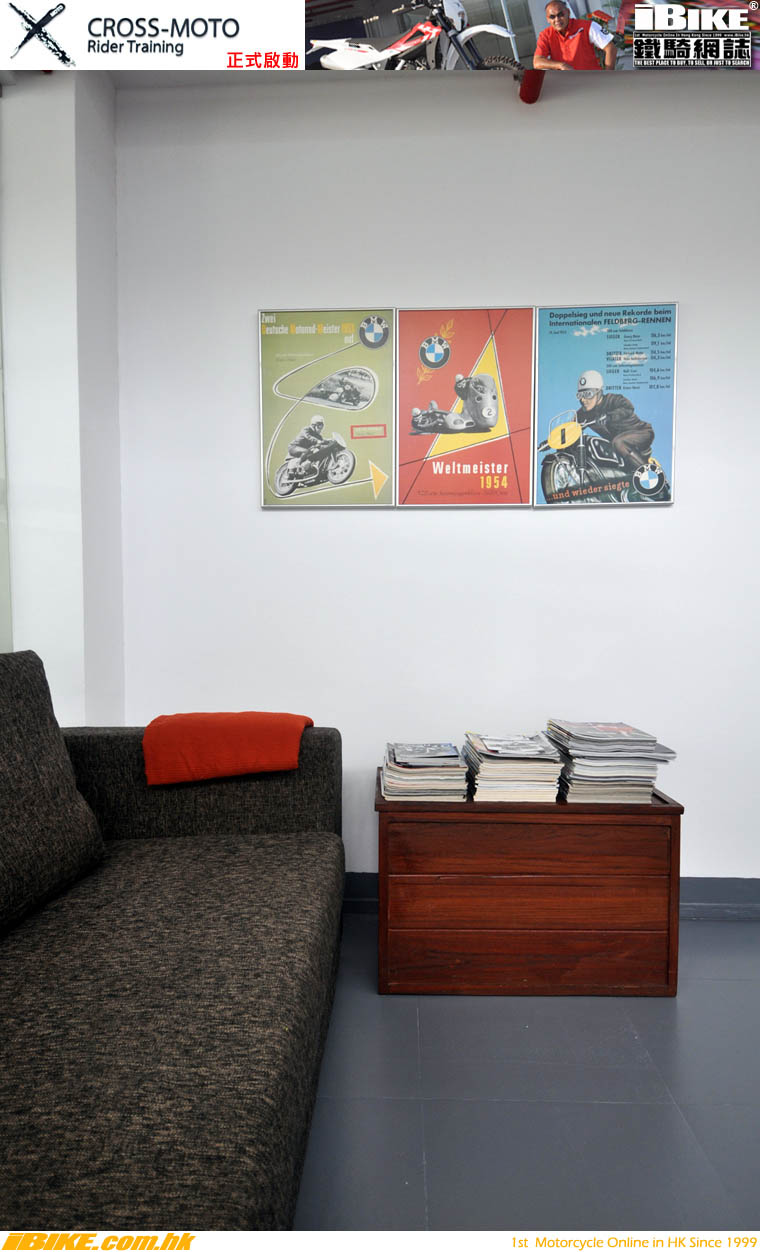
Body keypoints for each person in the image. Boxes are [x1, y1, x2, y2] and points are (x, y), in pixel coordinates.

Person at [575, 370, 655, 470]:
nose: (583, 400)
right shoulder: (583, 413)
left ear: (599, 392)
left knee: (618, 442)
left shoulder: (614, 399)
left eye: (588, 394)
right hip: (618, 446)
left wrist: (609, 416)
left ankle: (647, 471)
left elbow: (628, 408)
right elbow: (571, 427)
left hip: (641, 433)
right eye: (580, 395)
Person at [534, 1, 617, 70]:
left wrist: (607, 76)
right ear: (548, 19)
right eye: (552, 17)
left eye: (561, 14)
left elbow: (610, 48)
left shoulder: (587, 26)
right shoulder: (545, 35)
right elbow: (537, 62)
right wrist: (560, 65)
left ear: (568, 12)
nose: (557, 19)